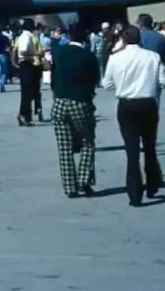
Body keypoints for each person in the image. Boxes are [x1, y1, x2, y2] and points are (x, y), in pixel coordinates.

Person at [102, 25, 165, 207]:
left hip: (126, 104)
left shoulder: (115, 58)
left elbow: (106, 84)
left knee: (131, 151)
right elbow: (164, 81)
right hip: (147, 103)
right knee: (149, 147)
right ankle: (153, 183)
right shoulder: (153, 57)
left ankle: (134, 192)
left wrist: (121, 85)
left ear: (123, 38)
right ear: (140, 38)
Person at [50, 23, 101, 198]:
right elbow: (95, 80)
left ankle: (69, 187)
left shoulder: (59, 53)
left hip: (59, 102)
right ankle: (84, 181)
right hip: (80, 102)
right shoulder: (88, 56)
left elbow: (53, 78)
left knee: (64, 147)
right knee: (87, 141)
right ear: (85, 38)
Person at [13, 19, 44, 126]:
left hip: (25, 64)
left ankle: (25, 115)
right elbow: (23, 51)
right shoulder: (27, 36)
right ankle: (24, 115)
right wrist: (37, 53)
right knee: (27, 92)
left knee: (26, 92)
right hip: (27, 64)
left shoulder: (22, 36)